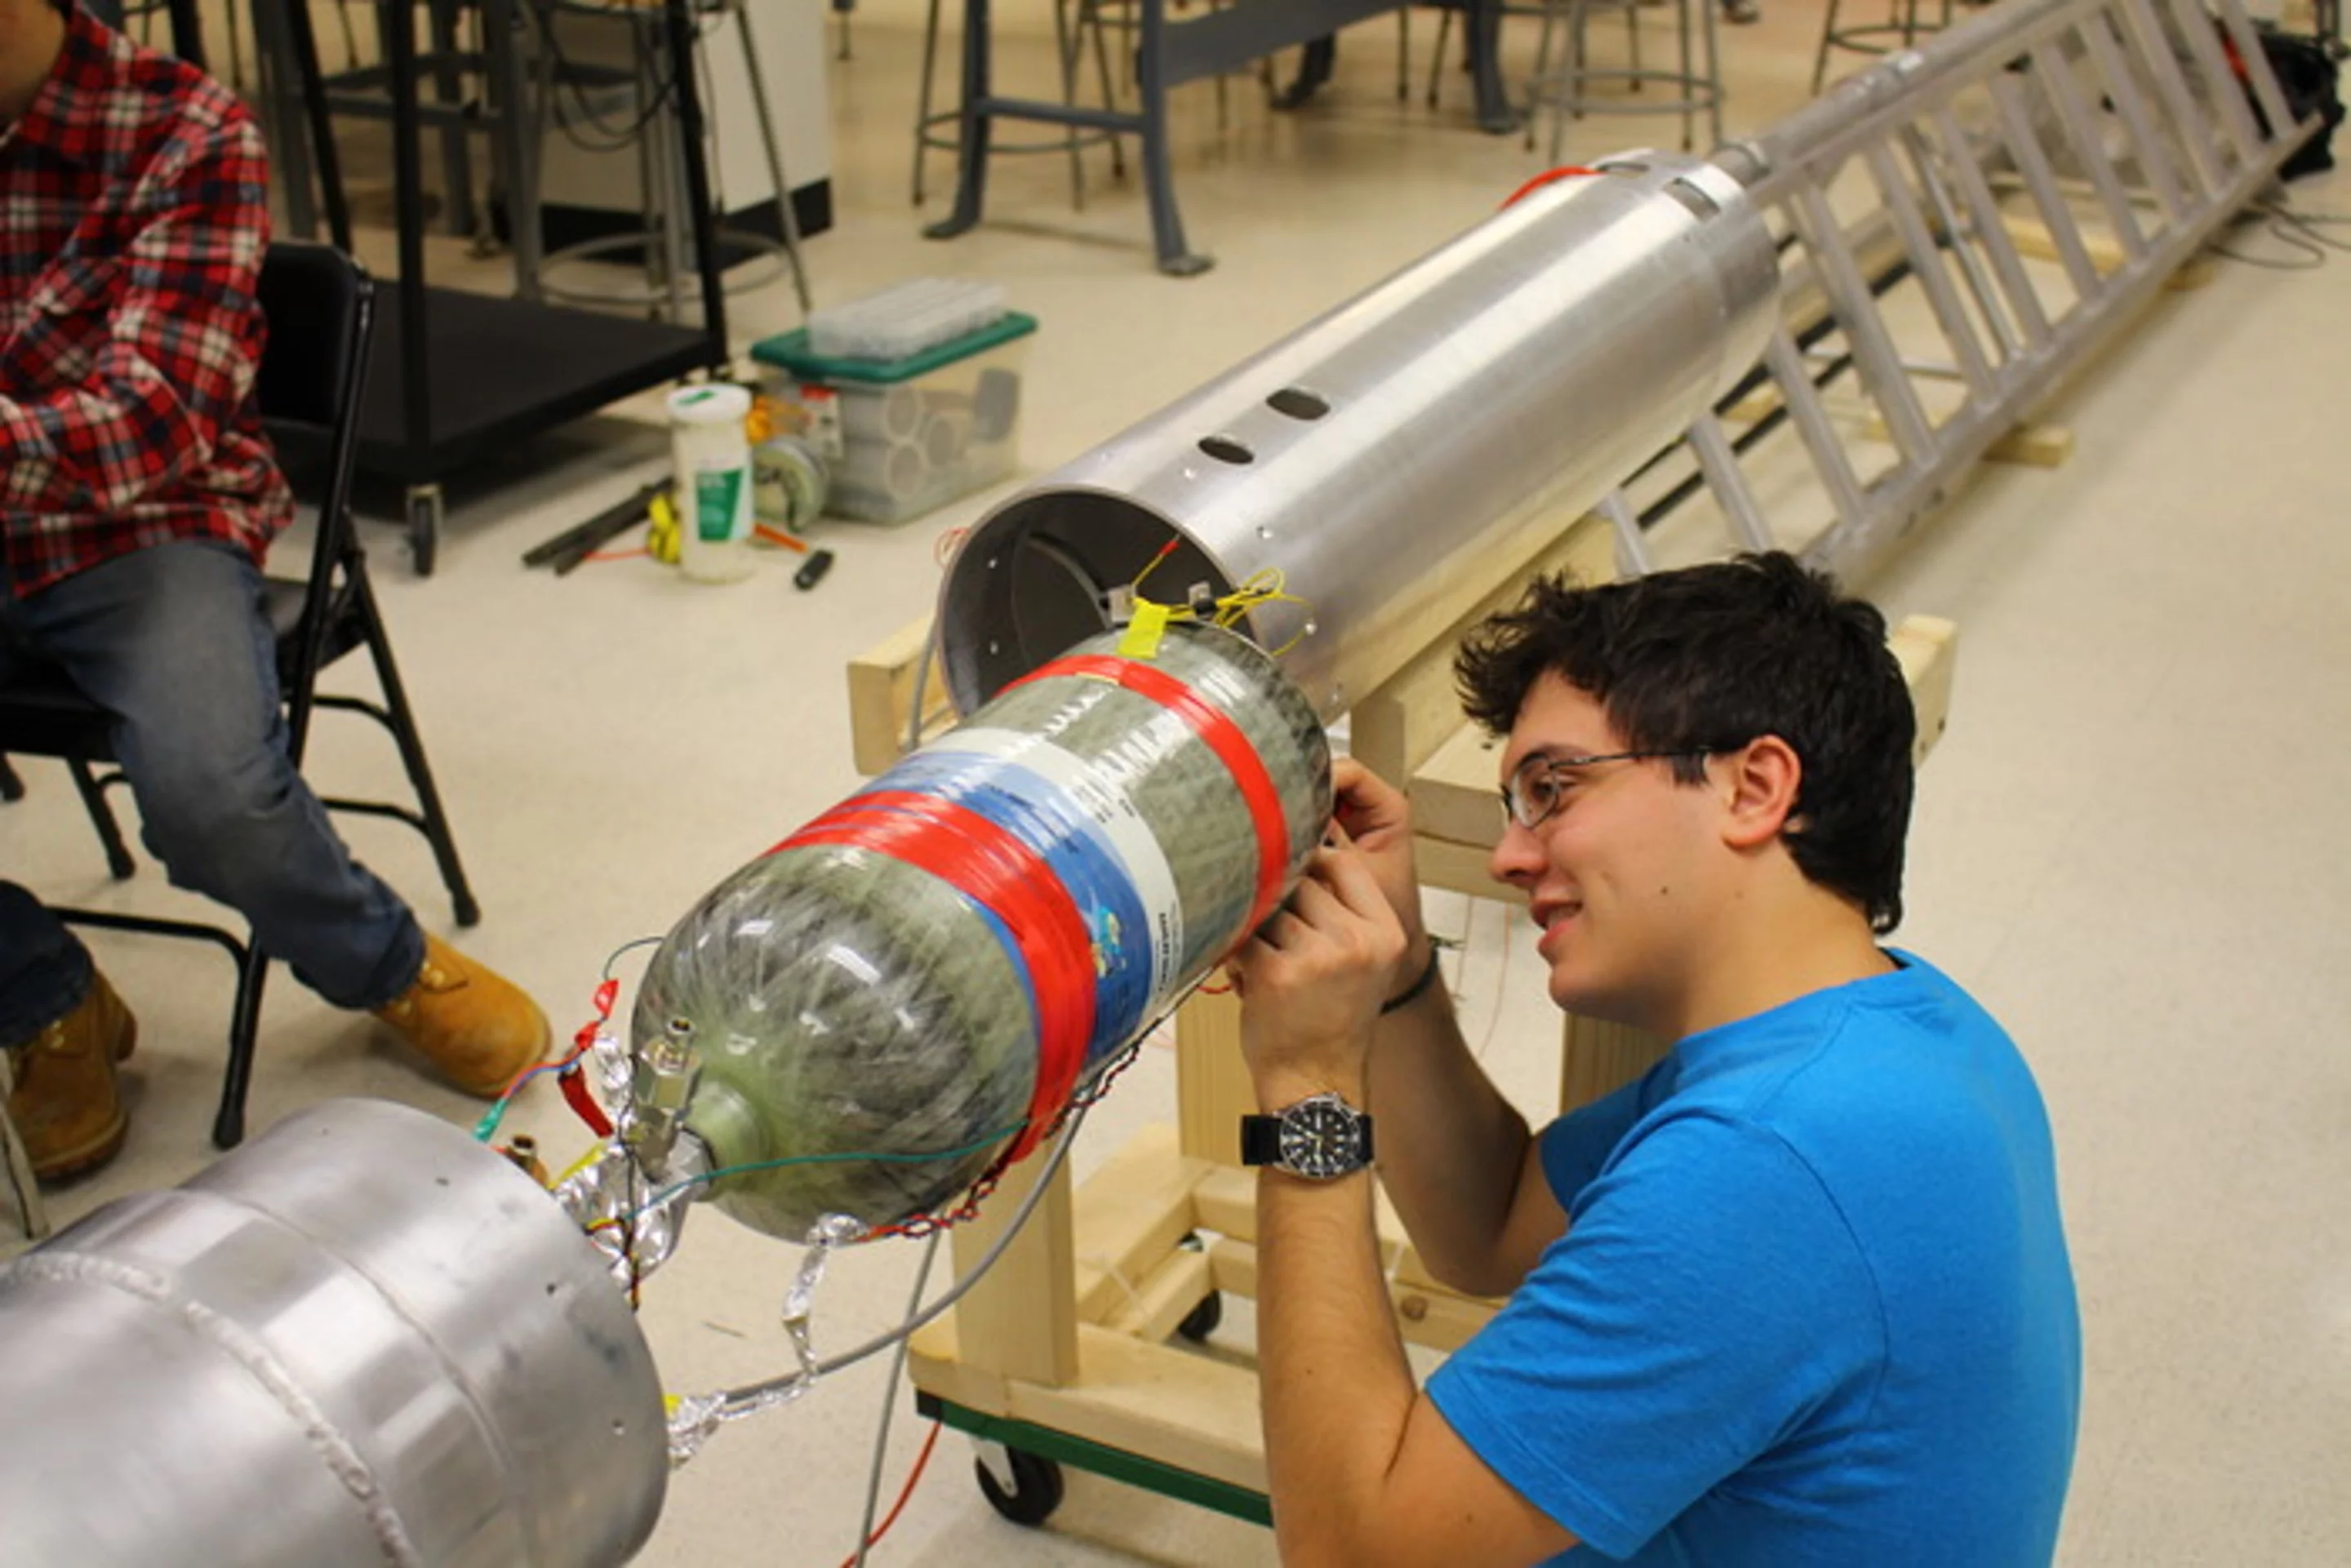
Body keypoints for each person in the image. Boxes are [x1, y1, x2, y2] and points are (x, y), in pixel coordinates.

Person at [1231, 553, 2079, 1565]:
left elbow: (1351, 1557)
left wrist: (1307, 1086)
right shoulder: (1897, 1025)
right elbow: (1487, 1227)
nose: (1507, 855)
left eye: (1553, 787)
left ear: (1754, 786)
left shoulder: (1767, 1162)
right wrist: (1402, 972)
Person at [2, 0, 548, 1181]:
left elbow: (156, 424)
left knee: (210, 797)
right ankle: (42, 993)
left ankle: (383, 962)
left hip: (141, 524)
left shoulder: (180, 130)